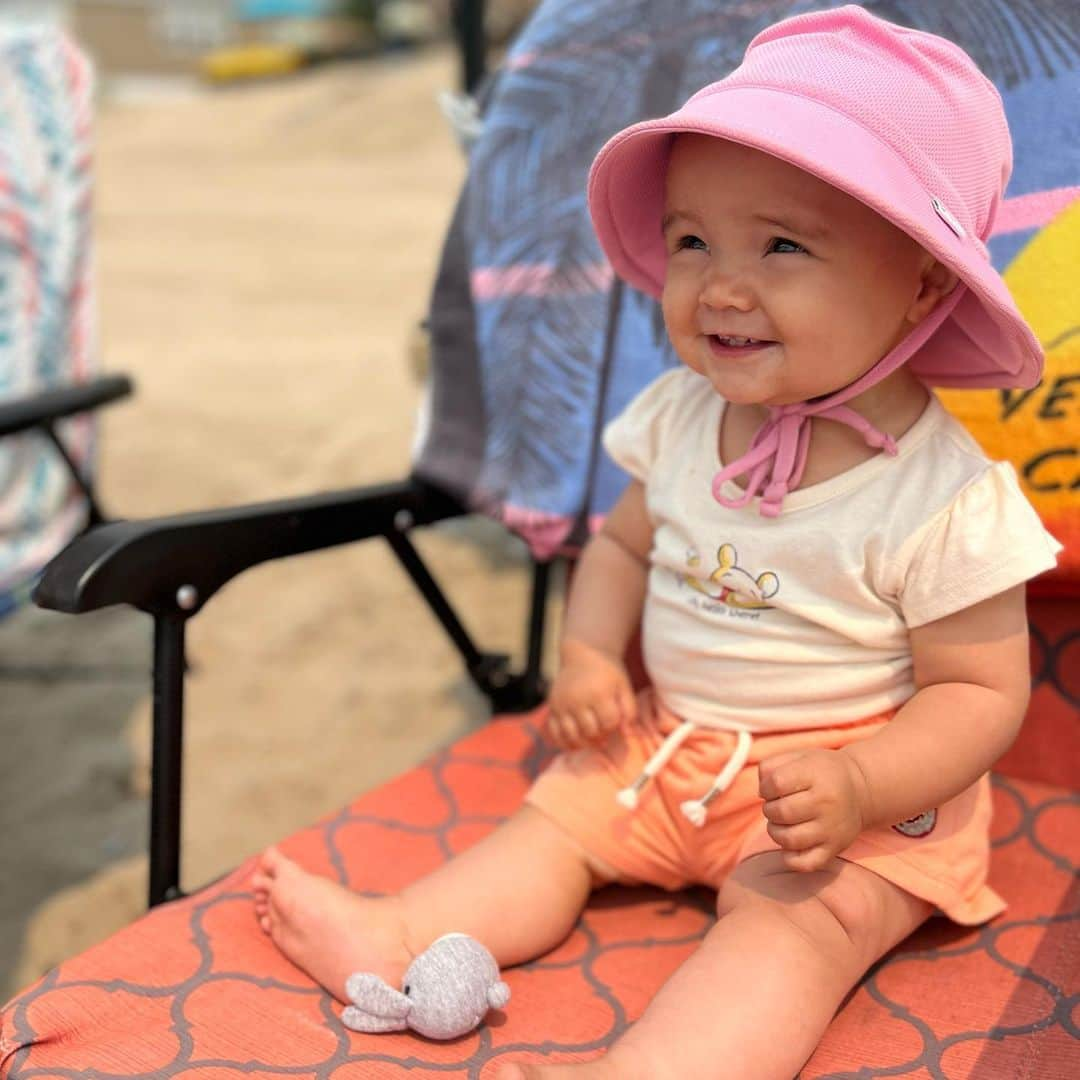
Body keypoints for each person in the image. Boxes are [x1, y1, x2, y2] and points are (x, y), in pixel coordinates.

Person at [251, 7, 1062, 1077]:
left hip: (844, 802)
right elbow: (626, 549)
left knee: (794, 929)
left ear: (921, 280)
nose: (720, 287)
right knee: (554, 824)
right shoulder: (685, 417)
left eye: (782, 244)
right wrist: (590, 657)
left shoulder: (942, 497)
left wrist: (863, 784)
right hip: (667, 749)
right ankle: (397, 937)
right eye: (692, 241)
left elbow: (979, 694)